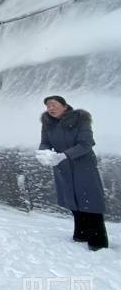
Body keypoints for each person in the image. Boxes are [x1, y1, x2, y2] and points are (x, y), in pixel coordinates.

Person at [36, 95, 108, 250]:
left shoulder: (80, 119)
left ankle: (98, 242)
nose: (50, 108)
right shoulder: (48, 123)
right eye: (48, 106)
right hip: (63, 167)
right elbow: (45, 142)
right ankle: (81, 234)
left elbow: (86, 144)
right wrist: (44, 153)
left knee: (90, 201)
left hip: (83, 165)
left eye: (53, 105)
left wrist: (64, 155)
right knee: (72, 200)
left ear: (64, 105)